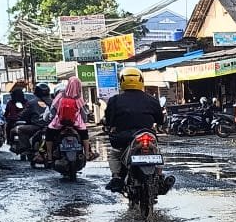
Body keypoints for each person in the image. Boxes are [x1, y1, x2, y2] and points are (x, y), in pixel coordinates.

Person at [103, 66, 171, 194]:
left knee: (115, 155)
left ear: (122, 81)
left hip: (124, 138)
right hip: (147, 135)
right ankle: (160, 177)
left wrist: (110, 126)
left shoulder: (115, 100)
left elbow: (109, 121)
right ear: (141, 81)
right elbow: (161, 120)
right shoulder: (152, 99)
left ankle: (117, 177)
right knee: (157, 151)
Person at [42, 75, 94, 163]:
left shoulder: (60, 95)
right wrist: (84, 122)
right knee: (85, 135)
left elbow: (52, 109)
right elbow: (84, 114)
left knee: (49, 134)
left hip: (59, 123)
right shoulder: (78, 98)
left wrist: (55, 118)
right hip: (76, 124)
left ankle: (49, 155)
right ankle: (87, 153)